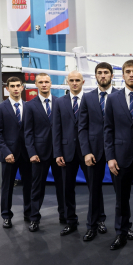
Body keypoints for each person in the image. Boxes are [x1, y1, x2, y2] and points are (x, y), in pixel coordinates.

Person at [104, 60, 133, 251]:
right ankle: (121, 233)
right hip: (120, 157)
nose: (132, 74)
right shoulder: (112, 99)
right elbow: (108, 129)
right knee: (121, 200)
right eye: (128, 71)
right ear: (122, 75)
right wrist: (110, 157)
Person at [78, 62, 119, 241]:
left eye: (106, 72)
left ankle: (124, 227)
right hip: (93, 152)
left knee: (121, 192)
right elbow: (82, 127)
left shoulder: (120, 96)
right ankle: (92, 226)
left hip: (116, 151)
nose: (103, 75)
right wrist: (86, 152)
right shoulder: (87, 98)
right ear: (95, 76)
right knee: (94, 191)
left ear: (111, 75)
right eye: (100, 72)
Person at [24, 73, 65, 232]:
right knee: (37, 188)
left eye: (46, 82)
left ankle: (64, 215)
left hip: (58, 152)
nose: (44, 84)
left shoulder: (60, 102)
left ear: (51, 83)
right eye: (41, 82)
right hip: (39, 154)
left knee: (62, 187)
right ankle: (34, 218)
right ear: (36, 84)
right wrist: (31, 152)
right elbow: (28, 132)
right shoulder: (29, 105)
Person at [0, 76, 32, 228]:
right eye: (12, 86)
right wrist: (6, 152)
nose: (15, 88)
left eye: (18, 85)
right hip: (8, 154)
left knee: (28, 185)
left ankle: (29, 213)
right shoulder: (0, 108)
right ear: (7, 88)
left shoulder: (29, 107)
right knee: (7, 186)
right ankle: (6, 216)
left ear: (22, 87)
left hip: (27, 154)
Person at [53, 71, 88, 236]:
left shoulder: (90, 100)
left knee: (94, 188)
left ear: (83, 82)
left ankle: (98, 220)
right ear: (67, 82)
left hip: (87, 151)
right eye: (71, 80)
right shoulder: (60, 102)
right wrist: (57, 152)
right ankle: (70, 221)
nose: (74, 83)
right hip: (67, 152)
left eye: (77, 80)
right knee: (67, 189)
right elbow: (56, 129)